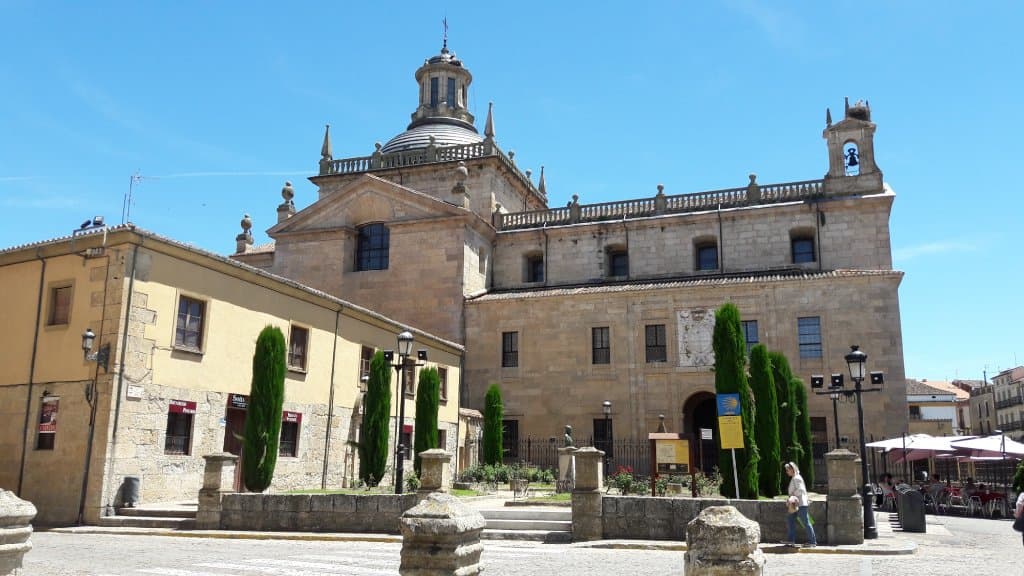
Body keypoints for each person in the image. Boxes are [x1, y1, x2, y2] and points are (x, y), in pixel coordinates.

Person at [783, 461, 817, 547]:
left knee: (805, 522)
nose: (786, 472)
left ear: (792, 469)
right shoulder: (795, 478)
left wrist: (792, 496)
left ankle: (812, 542)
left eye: (787, 470)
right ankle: (791, 540)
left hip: (800, 503)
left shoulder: (796, 478)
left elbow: (801, 490)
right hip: (796, 504)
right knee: (791, 520)